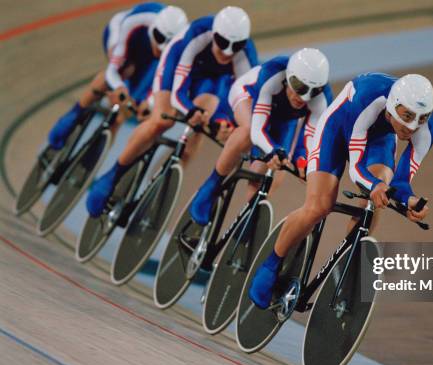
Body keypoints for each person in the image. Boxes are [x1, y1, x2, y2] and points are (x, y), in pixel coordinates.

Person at [248, 72, 433, 308]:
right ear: (391, 106)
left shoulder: (426, 130)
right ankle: (271, 264)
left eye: (420, 119)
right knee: (319, 206)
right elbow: (356, 169)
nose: (411, 127)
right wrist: (375, 186)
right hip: (337, 130)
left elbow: (400, 183)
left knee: (379, 194)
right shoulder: (369, 97)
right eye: (407, 116)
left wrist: (408, 199)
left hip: (377, 140)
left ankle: (346, 261)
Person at [86, 6, 258, 218]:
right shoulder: (197, 34)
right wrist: (190, 110)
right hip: (177, 68)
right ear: (214, 35)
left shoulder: (246, 56)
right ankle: (113, 174)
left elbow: (240, 100)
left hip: (209, 82)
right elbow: (177, 92)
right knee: (161, 121)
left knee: (197, 129)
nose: (228, 52)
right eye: (223, 43)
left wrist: (224, 122)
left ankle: (161, 191)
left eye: (236, 45)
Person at [189, 48, 333, 226]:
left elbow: (308, 140)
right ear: (288, 77)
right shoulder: (272, 73)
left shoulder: (322, 98)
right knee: (247, 132)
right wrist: (272, 150)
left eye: (312, 91)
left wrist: (303, 162)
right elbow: (258, 129)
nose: (303, 97)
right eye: (299, 87)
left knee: (278, 168)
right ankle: (211, 186)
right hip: (250, 96)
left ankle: (247, 217)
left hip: (283, 118)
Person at [47, 2, 188, 150]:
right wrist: (119, 86)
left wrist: (148, 102)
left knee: (130, 104)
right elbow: (112, 71)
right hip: (123, 34)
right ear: (154, 28)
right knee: (123, 71)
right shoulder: (139, 20)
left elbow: (162, 83)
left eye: (166, 47)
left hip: (149, 58)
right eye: (159, 40)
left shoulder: (176, 48)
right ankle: (75, 113)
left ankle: (97, 152)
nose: (160, 49)